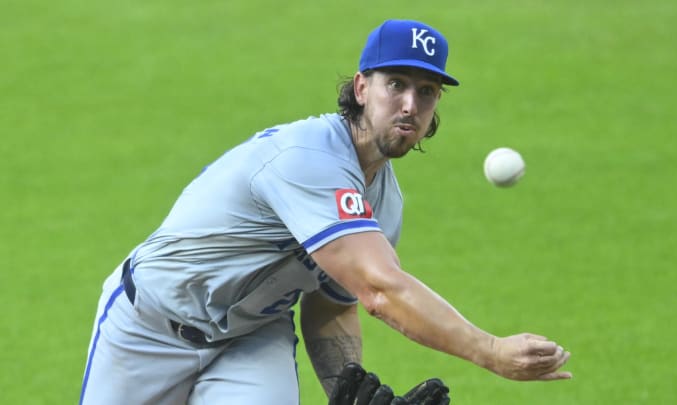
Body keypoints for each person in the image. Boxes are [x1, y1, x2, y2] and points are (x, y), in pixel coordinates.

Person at [79, 19, 571, 405]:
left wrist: (345, 389)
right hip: (147, 328)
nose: (409, 104)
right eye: (395, 84)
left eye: (426, 92)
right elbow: (380, 291)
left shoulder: (383, 201)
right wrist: (490, 351)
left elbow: (333, 303)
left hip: (250, 340)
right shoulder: (309, 159)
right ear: (361, 88)